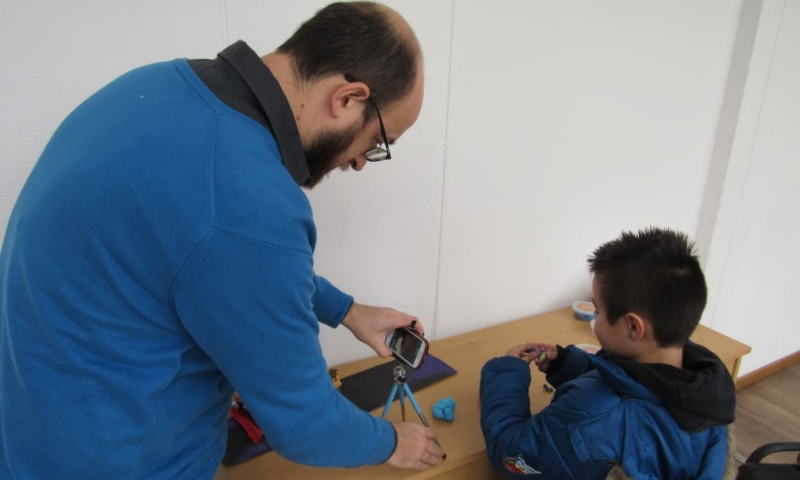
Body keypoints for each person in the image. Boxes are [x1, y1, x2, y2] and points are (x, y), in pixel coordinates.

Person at [0, 2, 444, 479]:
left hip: (32, 439)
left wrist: (348, 311)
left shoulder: (152, 87)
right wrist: (393, 441)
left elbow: (203, 256)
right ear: (348, 98)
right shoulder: (249, 203)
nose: (359, 163)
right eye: (376, 142)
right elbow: (308, 426)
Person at [479, 227, 736, 479]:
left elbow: (513, 457)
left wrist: (507, 374)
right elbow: (631, 383)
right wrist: (566, 364)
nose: (594, 317)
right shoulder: (709, 394)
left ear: (633, 327)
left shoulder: (588, 419)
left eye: (598, 311)